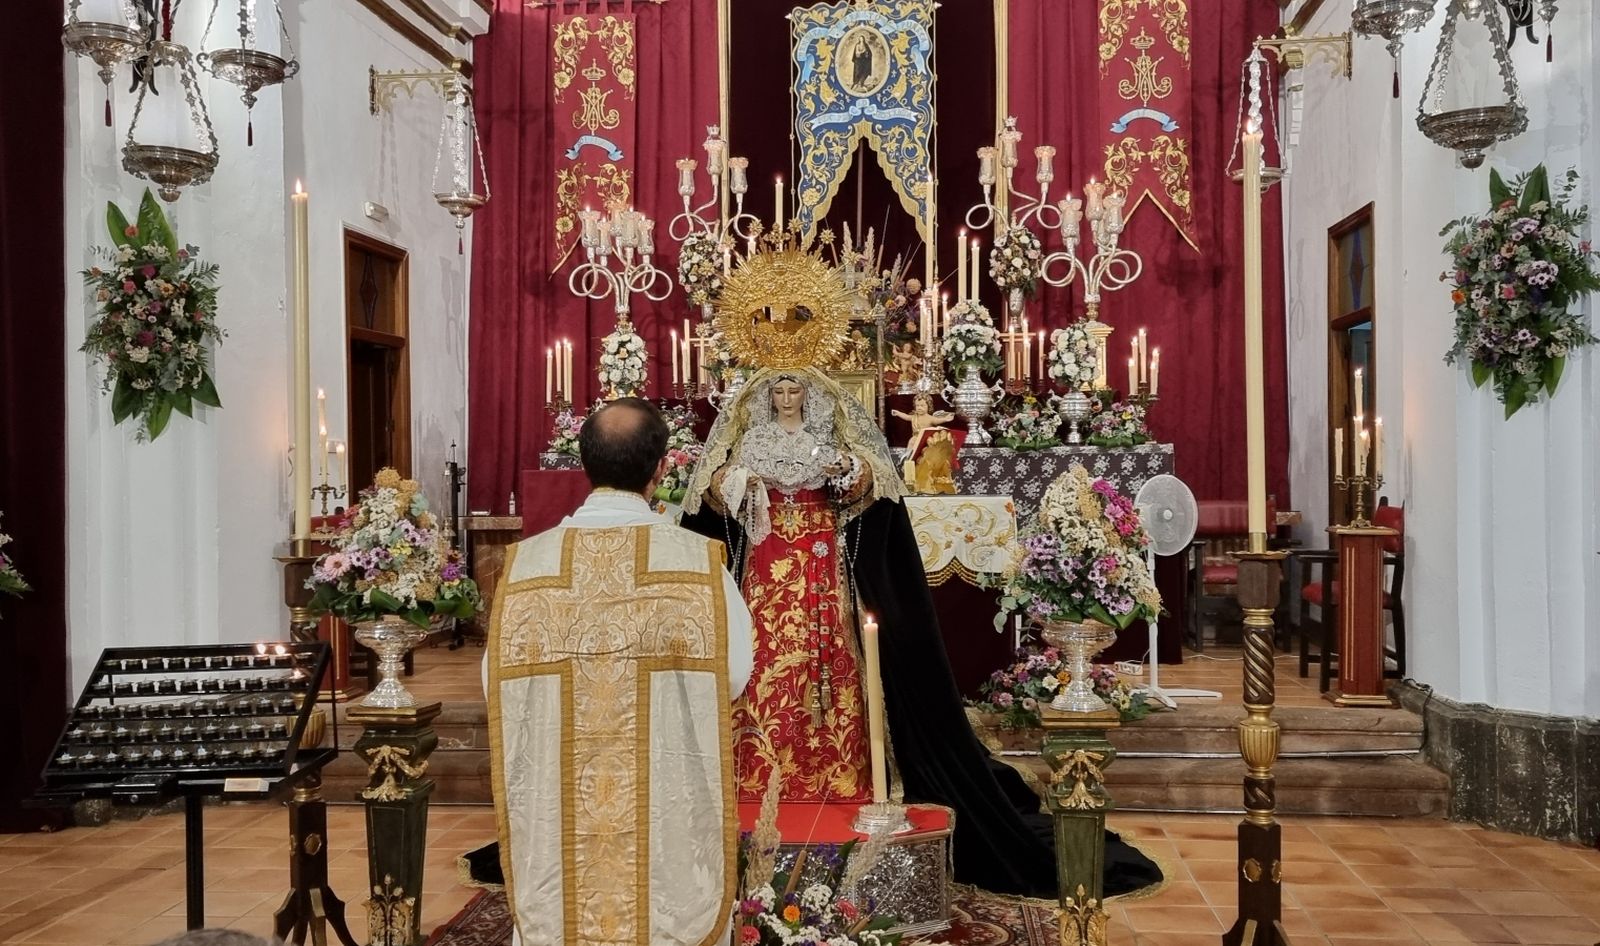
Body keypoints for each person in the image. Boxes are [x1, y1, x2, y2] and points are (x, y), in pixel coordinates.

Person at [682, 368, 1160, 899]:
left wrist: (847, 469)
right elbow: (715, 492)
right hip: (768, 569)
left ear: (811, 395)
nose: (789, 397)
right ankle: (757, 777)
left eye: (796, 389)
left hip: (822, 564)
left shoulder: (828, 435)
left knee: (833, 662)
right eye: (780, 391)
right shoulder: (752, 439)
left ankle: (841, 776)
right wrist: (740, 481)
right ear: (767, 398)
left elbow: (870, 481)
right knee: (762, 662)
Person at [483, 397, 753, 946]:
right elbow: (734, 675)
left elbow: (495, 682)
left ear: (585, 464)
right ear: (662, 467)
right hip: (664, 801)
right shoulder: (696, 564)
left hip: (562, 805)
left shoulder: (528, 567)